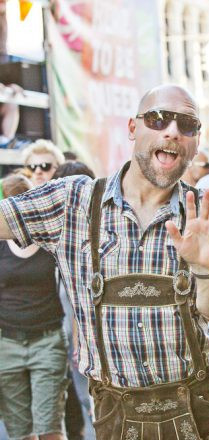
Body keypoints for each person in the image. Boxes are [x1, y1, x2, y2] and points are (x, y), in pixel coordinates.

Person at [0, 84, 209, 440]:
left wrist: (205, 270)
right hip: (115, 416)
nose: (172, 131)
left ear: (196, 141)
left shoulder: (207, 214)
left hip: (201, 411)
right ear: (132, 128)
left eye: (186, 125)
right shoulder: (73, 200)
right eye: (158, 119)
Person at [0, 172, 68, 440]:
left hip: (47, 341)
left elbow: (73, 294)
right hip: (7, 343)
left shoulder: (50, 242)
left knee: (49, 428)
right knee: (20, 433)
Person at [53, 161, 96, 440]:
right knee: (82, 407)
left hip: (89, 346)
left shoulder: (94, 237)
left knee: (94, 407)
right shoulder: (54, 233)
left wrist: (82, 343)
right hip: (64, 343)